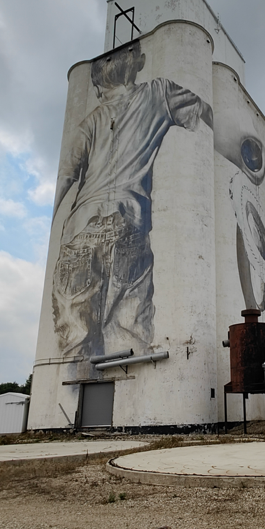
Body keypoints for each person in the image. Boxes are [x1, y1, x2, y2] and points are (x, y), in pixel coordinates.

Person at [51, 40, 213, 358]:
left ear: (96, 82)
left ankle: (73, 400)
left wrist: (55, 237)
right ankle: (132, 399)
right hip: (128, 223)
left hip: (79, 231)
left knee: (74, 344)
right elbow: (211, 118)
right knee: (131, 339)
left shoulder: (87, 124)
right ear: (138, 63)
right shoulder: (157, 93)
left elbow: (64, 181)